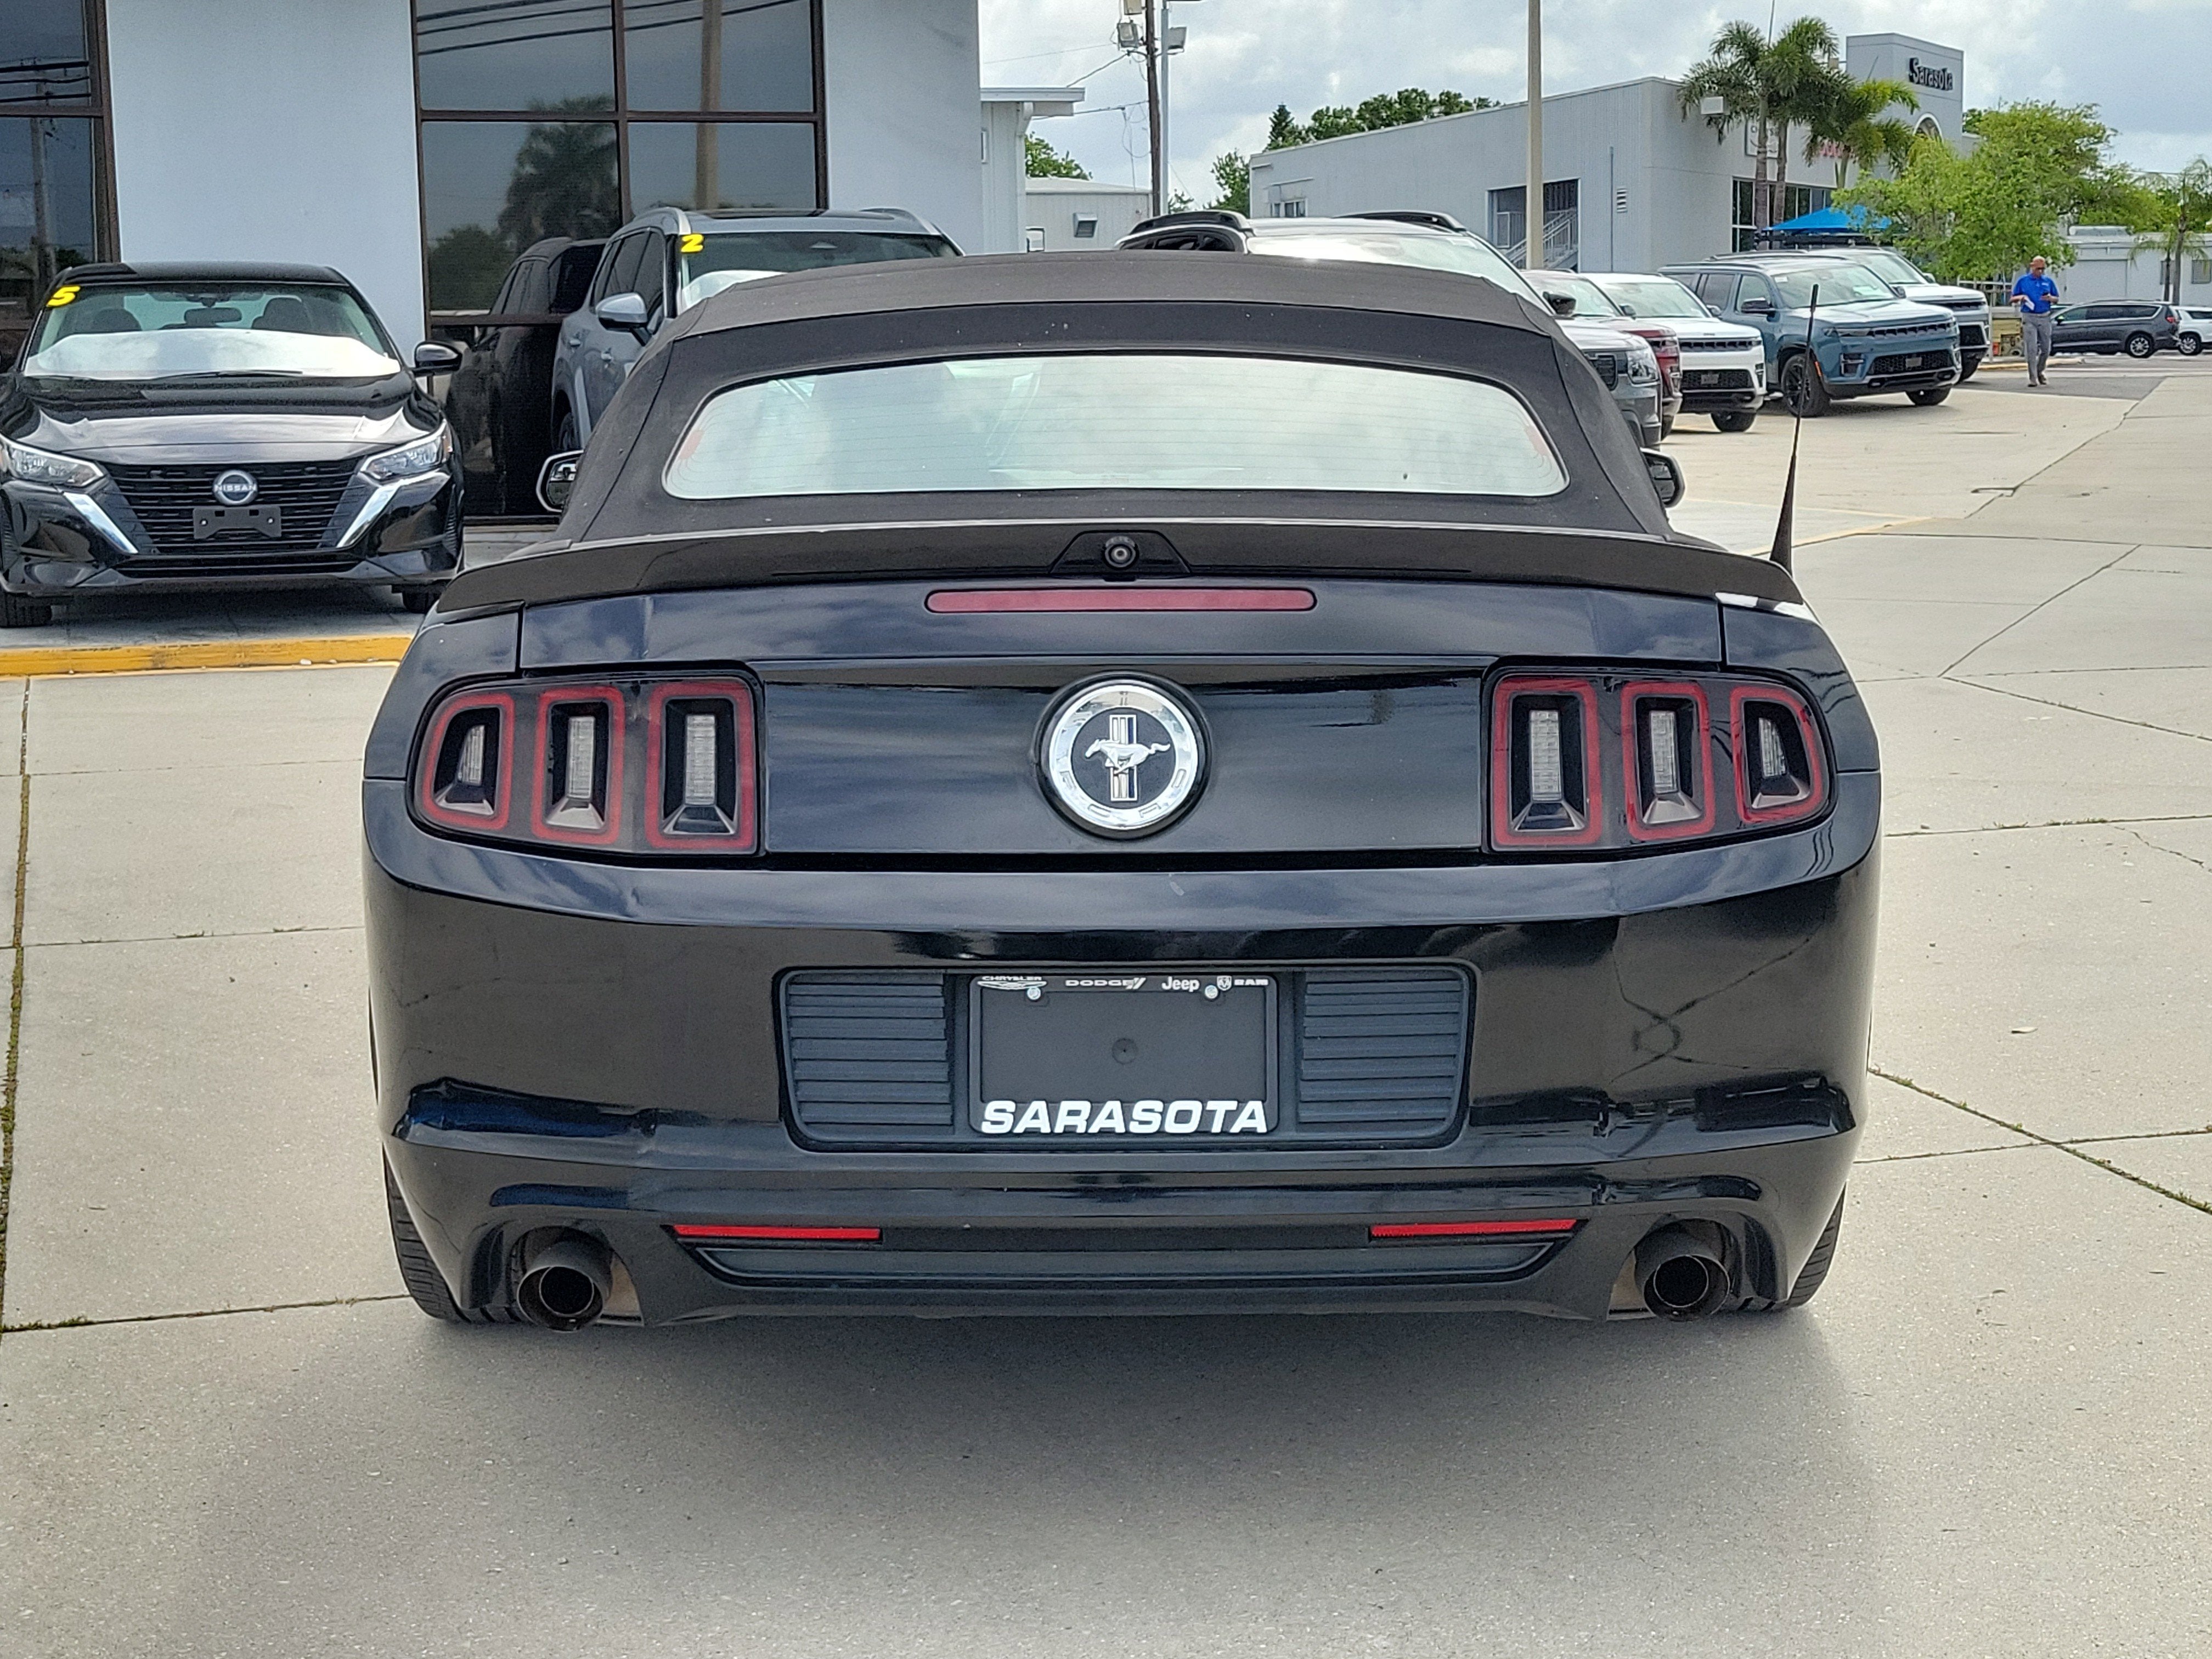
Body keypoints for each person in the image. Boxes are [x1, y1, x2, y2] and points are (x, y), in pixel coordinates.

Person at [2012, 256, 2061, 386]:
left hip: (2044, 316)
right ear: (2032, 267)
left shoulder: (2048, 281)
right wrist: (2021, 297)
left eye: (2043, 269)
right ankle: (2033, 377)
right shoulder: (2023, 281)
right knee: (2031, 348)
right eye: (2038, 269)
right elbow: (2013, 298)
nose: (2040, 271)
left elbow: (2057, 298)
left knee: (2046, 348)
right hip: (2029, 316)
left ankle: (2040, 371)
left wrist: (2051, 298)